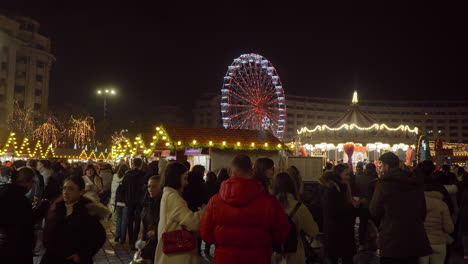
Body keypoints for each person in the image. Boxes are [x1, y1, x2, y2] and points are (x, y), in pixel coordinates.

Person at [199, 154, 290, 264]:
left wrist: (223, 242)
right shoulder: (268, 201)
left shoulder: (215, 201)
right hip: (258, 258)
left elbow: (205, 234)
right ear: (251, 171)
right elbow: (282, 231)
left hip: (225, 259)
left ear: (232, 172)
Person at [370, 153, 432, 264]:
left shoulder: (383, 185)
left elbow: (374, 211)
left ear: (386, 166)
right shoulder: (416, 183)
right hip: (413, 237)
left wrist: (383, 224)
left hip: (391, 238)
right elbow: (422, 211)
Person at [41, 175, 108, 264]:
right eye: (64, 188)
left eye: (71, 189)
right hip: (53, 258)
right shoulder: (56, 208)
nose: (66, 192)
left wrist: (82, 255)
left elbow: (99, 236)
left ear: (81, 192)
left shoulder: (87, 211)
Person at [154, 162, 205, 264]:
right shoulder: (173, 197)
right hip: (176, 255)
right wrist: (204, 211)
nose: (187, 183)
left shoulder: (169, 194)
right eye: (184, 178)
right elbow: (193, 223)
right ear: (176, 178)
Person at [271, 172, 319, 264]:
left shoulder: (268, 205)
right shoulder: (299, 207)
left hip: (273, 254)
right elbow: (313, 231)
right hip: (295, 254)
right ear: (292, 186)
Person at [321, 165, 357, 264]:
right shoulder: (335, 190)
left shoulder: (340, 188)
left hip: (336, 233)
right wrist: (353, 207)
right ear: (339, 175)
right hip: (338, 232)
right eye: (346, 174)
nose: (349, 177)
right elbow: (339, 211)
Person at [0, 167, 36, 264]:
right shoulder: (21, 199)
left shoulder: (4, 190)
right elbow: (28, 222)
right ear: (26, 182)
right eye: (32, 182)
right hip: (17, 248)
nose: (32, 186)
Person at [419, 189, 454, 264]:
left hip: (422, 243)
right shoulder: (442, 204)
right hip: (438, 242)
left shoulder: (417, 204)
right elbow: (449, 228)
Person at [122, 158, 146, 249]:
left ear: (133, 164)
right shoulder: (143, 174)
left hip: (129, 200)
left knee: (129, 220)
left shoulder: (127, 174)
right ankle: (135, 240)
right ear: (141, 164)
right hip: (139, 200)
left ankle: (131, 240)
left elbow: (123, 187)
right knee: (137, 220)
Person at [355, 161, 378, 248]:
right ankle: (373, 240)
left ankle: (362, 242)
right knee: (376, 223)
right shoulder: (375, 180)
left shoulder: (359, 178)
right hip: (372, 204)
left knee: (363, 224)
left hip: (363, 204)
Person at [140, 176, 162, 263]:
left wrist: (155, 232)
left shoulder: (162, 203)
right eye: (149, 186)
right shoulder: (147, 201)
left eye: (154, 186)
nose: (150, 189)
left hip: (158, 243)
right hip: (148, 243)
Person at [112, 164, 129, 244]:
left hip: (117, 201)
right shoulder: (127, 177)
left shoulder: (115, 176)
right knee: (124, 221)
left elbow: (113, 189)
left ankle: (116, 236)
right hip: (125, 201)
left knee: (118, 219)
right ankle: (122, 238)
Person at [203, 171, 218, 255]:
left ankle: (206, 247)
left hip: (206, 208)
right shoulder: (217, 186)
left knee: (207, 227)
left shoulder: (205, 185)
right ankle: (215, 246)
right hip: (215, 209)